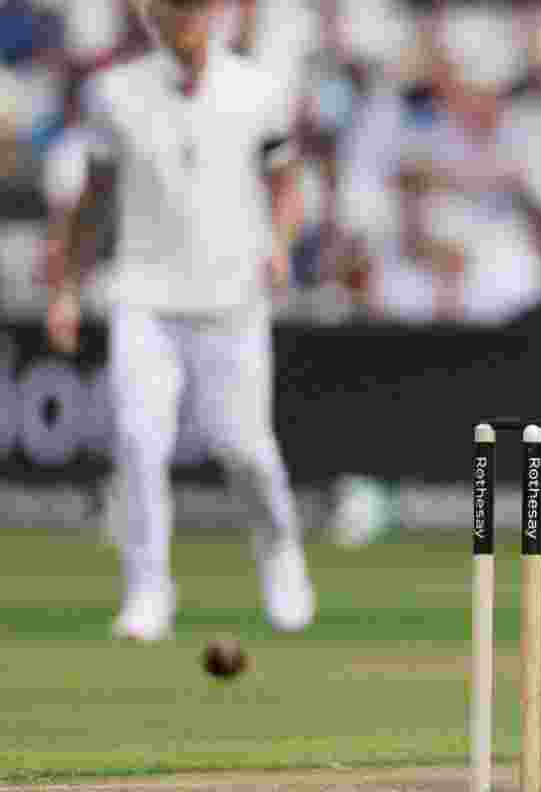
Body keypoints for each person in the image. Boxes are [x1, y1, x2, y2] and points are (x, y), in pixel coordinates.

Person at [43, 0, 314, 642]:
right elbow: (94, 201)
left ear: (216, 13)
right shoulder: (114, 93)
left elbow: (286, 183)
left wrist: (279, 242)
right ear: (149, 16)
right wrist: (66, 289)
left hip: (232, 296)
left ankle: (282, 563)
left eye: (197, 7)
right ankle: (147, 594)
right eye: (174, 8)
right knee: (140, 444)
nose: (187, 19)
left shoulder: (259, 90)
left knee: (244, 446)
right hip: (143, 295)